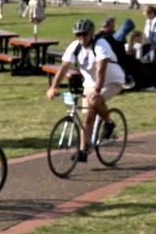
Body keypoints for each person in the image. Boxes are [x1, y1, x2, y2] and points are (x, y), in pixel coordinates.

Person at [45, 18, 126, 161]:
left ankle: (109, 123)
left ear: (91, 34)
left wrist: (97, 90)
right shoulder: (75, 46)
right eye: (78, 35)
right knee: (88, 117)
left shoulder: (100, 44)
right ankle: (83, 151)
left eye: (84, 34)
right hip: (90, 83)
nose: (81, 37)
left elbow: (101, 69)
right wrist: (53, 87)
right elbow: (64, 67)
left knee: (96, 100)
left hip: (112, 81)